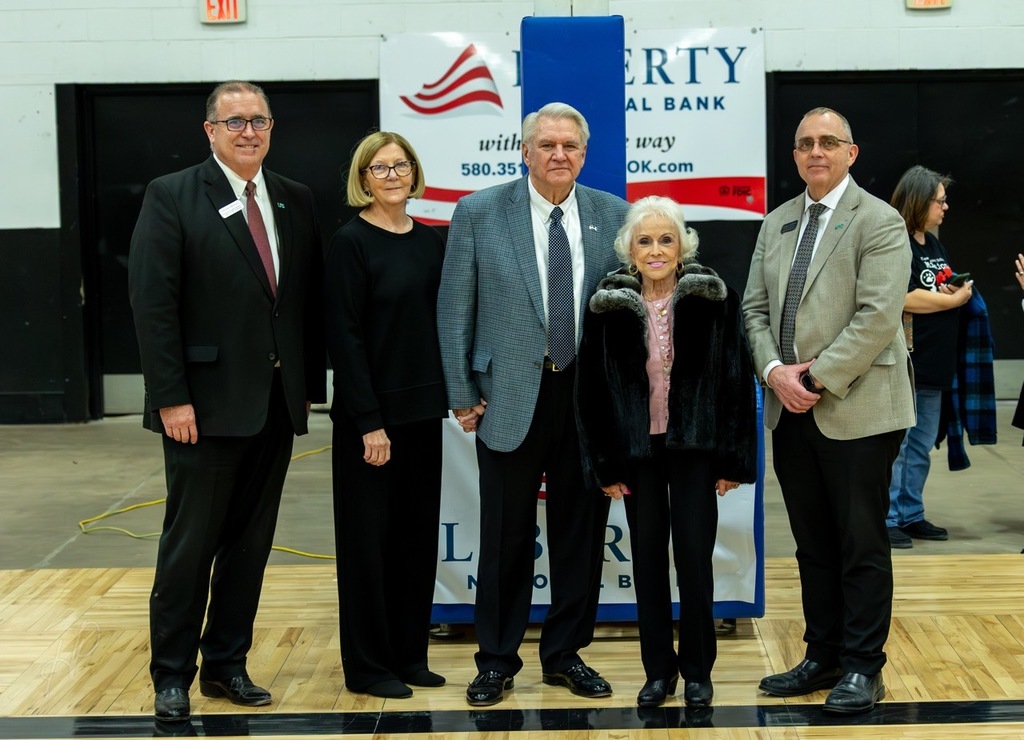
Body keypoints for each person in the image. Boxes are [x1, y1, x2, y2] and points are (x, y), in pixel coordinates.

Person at [128, 81, 325, 722]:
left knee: (249, 547)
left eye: (259, 121)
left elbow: (297, 304)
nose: (248, 132)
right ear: (209, 129)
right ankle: (171, 676)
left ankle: (227, 666)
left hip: (272, 405)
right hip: (202, 410)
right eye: (234, 121)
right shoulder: (173, 195)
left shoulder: (293, 199)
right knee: (189, 548)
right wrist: (170, 398)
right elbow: (153, 306)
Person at [437, 102, 629, 706]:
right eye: (546, 145)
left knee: (580, 533)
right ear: (524, 151)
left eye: (570, 146)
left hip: (586, 401)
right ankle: (495, 659)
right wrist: (463, 393)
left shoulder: (614, 215)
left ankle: (566, 654)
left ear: (583, 153)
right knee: (505, 538)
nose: (558, 155)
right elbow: (453, 308)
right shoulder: (478, 212)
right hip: (508, 398)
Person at [742, 107, 915, 714]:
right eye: (805, 143)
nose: (816, 151)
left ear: (851, 152)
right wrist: (773, 373)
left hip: (857, 406)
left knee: (859, 542)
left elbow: (877, 317)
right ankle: (824, 654)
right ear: (794, 155)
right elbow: (754, 311)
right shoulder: (778, 222)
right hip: (789, 408)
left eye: (828, 142)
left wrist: (811, 377)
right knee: (812, 542)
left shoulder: (880, 220)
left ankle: (865, 667)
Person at [575, 196, 758, 708]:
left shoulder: (714, 297)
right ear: (629, 251)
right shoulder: (606, 301)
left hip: (696, 449)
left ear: (683, 247)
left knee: (695, 559)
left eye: (666, 239)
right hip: (637, 453)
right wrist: (605, 463)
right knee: (648, 560)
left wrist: (731, 458)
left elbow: (736, 382)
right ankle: (659, 672)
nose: (655, 250)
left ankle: (698, 670)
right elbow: (590, 390)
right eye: (645, 241)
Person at [324, 132, 448, 699]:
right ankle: (370, 666)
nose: (392, 174)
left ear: (414, 172)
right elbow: (344, 340)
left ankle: (409, 654)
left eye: (401, 165)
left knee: (416, 540)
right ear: (363, 178)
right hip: (369, 422)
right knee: (367, 545)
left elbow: (443, 326)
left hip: (423, 414)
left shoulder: (431, 241)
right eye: (380, 167)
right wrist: (368, 420)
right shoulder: (350, 243)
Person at [885, 166, 973, 549]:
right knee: (899, 446)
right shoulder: (897, 241)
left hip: (936, 366)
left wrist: (953, 288)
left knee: (920, 445)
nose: (945, 207)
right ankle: (887, 518)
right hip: (908, 364)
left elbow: (935, 285)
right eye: (939, 200)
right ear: (919, 201)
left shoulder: (933, 244)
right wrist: (953, 299)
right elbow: (902, 297)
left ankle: (911, 513)